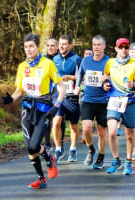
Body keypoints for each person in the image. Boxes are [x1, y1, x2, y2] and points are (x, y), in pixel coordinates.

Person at [2, 34, 64, 189]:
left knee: (34, 146)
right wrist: (11, 99)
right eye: (25, 47)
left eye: (31, 46)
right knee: (30, 147)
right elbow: (20, 90)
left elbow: (62, 87)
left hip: (43, 108)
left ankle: (49, 159)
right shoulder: (22, 66)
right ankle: (41, 179)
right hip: (27, 108)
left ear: (37, 47)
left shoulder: (48, 64)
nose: (28, 49)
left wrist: (57, 105)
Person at [103, 38, 135, 175]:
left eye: (126, 47)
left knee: (130, 136)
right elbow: (106, 75)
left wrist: (134, 85)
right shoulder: (110, 62)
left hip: (129, 102)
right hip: (114, 101)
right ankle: (116, 160)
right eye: (121, 47)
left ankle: (128, 161)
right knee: (112, 132)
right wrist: (106, 83)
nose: (124, 50)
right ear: (116, 49)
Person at [74, 35, 109, 169]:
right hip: (87, 99)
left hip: (103, 101)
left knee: (101, 131)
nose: (96, 47)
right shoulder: (86, 60)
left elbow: (112, 77)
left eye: (99, 45)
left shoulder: (109, 61)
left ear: (104, 46)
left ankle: (101, 156)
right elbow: (80, 74)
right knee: (87, 128)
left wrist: (107, 81)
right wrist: (77, 86)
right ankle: (90, 149)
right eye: (94, 45)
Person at [52, 35, 82, 164]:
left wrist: (71, 77)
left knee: (73, 126)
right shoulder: (54, 59)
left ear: (70, 45)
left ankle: (73, 149)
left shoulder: (77, 59)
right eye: (60, 44)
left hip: (72, 96)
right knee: (56, 121)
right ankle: (58, 148)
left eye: (64, 44)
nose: (61, 46)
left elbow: (82, 76)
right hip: (58, 96)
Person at [43, 38, 59, 154]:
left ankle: (60, 142)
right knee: (47, 117)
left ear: (57, 47)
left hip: (61, 92)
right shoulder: (43, 60)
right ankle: (47, 143)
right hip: (48, 93)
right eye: (48, 45)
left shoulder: (60, 59)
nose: (50, 47)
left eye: (53, 45)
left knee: (59, 120)